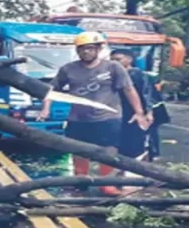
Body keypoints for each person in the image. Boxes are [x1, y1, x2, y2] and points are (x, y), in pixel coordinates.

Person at [37, 31, 150, 196]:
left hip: (108, 118)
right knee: (78, 150)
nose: (86, 52)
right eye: (81, 49)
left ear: (98, 49)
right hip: (78, 119)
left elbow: (128, 89)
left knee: (109, 151)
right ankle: (80, 182)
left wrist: (139, 112)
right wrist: (45, 108)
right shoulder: (68, 69)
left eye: (90, 48)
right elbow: (51, 91)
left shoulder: (113, 67)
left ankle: (107, 184)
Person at [110, 49, 153, 162]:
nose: (115, 62)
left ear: (129, 60)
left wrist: (148, 112)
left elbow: (147, 93)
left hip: (134, 112)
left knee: (136, 142)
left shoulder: (137, 74)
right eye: (112, 60)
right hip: (116, 112)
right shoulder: (111, 75)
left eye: (118, 59)